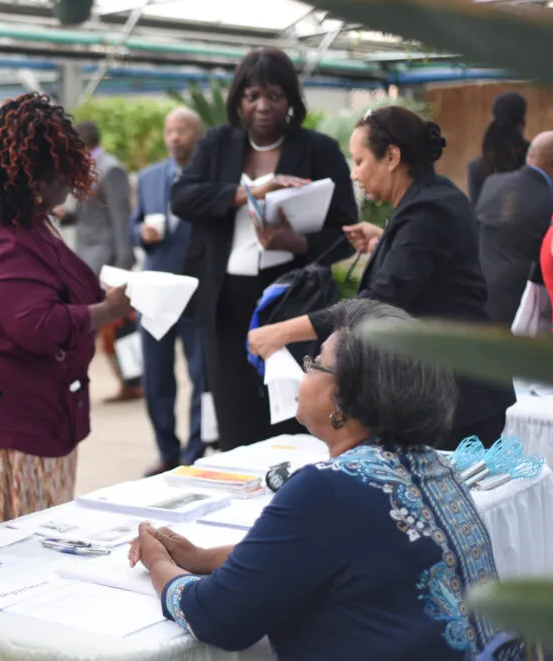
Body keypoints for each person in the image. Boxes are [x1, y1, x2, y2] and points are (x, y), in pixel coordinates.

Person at [131, 299, 507, 661]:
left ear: (344, 399)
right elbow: (324, 552)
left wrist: (160, 564)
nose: (303, 370)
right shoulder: (435, 467)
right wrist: (202, 558)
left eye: (315, 364)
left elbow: (217, 617)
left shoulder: (328, 487)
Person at [248, 106, 516, 449]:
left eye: (359, 162)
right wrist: (385, 242)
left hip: (461, 394)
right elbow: (432, 271)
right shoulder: (434, 198)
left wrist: (281, 332)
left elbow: (379, 303)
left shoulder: (428, 211)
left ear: (391, 156)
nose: (355, 175)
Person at [0, 92, 133, 521]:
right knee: (20, 552)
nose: (70, 187)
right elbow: (36, 325)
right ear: (36, 181)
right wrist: (109, 310)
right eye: (63, 175)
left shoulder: (28, 226)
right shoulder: (6, 241)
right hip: (17, 433)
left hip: (41, 419)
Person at [171, 47, 358, 451]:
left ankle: (295, 497)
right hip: (225, 302)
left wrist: (295, 241)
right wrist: (247, 193)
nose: (262, 107)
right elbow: (182, 198)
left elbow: (346, 234)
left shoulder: (318, 149)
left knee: (295, 409)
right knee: (234, 415)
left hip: (291, 298)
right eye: (252, 96)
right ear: (238, 99)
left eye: (274, 96)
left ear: (290, 99)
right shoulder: (218, 144)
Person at [131, 108, 208, 475]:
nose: (174, 137)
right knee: (156, 376)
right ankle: (167, 452)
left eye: (182, 130)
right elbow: (134, 224)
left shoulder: (211, 179)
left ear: (198, 135)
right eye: (169, 131)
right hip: (156, 292)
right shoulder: (148, 178)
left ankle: (194, 452)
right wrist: (140, 234)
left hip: (197, 290)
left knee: (201, 375)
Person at [64, 120, 142, 403]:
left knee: (118, 326)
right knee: (107, 327)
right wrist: (66, 215)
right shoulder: (86, 169)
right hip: (87, 259)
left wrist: (123, 265)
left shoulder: (112, 170)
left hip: (109, 260)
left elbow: (122, 220)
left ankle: (132, 381)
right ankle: (128, 380)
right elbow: (88, 214)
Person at [476, 131, 553, 327]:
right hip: (527, 316)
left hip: (482, 305)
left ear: (530, 155)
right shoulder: (548, 198)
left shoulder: (492, 184)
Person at [468, 91, 529, 206]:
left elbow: (475, 213)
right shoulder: (535, 161)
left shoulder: (477, 168)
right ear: (522, 122)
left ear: (493, 118)